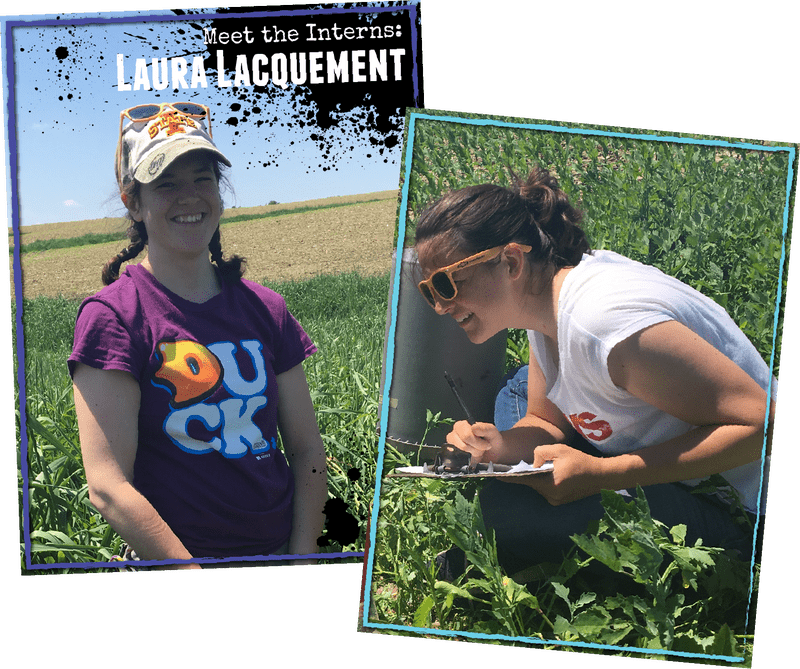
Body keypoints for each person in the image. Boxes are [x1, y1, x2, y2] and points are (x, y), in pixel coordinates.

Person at [414, 165, 773, 578]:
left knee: (508, 510)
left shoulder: (603, 326)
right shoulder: (542, 305)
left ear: (510, 261)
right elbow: (545, 422)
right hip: (671, 466)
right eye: (428, 292)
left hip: (741, 512)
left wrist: (601, 475)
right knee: (515, 402)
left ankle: (484, 561)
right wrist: (500, 448)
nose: (440, 306)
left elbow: (763, 427)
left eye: (445, 284)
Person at [69, 101, 328, 569]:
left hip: (280, 557)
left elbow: (307, 448)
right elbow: (107, 486)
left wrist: (302, 558)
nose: (189, 196)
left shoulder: (265, 308)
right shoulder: (113, 317)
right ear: (134, 202)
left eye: (202, 179)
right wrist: (194, 577)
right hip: (178, 569)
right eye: (166, 183)